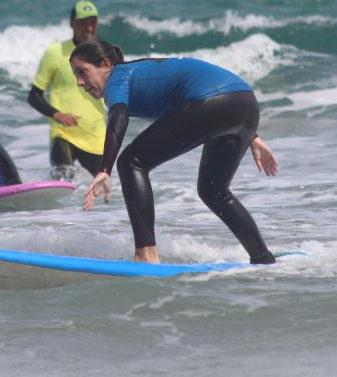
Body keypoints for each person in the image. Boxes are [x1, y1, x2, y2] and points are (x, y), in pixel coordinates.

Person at [70, 38, 280, 265]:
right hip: (245, 104)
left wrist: (104, 170)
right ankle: (262, 258)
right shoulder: (142, 72)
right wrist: (250, 134)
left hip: (214, 103)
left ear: (106, 64)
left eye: (82, 72)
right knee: (214, 191)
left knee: (131, 162)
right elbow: (210, 88)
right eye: (75, 76)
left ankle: (146, 255)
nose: (80, 83)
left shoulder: (118, 77)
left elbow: (118, 117)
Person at [28, 0, 107, 180]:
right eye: (83, 23)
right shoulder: (54, 53)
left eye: (92, 22)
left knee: (104, 192)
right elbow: (34, 96)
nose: (88, 28)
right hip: (63, 134)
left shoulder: (105, 54)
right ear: (72, 23)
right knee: (62, 185)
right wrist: (57, 115)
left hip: (96, 138)